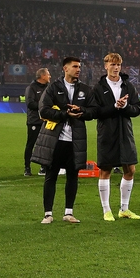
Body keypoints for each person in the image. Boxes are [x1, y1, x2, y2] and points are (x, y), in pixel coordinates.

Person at [32, 57, 94, 223]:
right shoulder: (53, 88)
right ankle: (48, 214)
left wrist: (81, 111)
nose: (78, 69)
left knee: (73, 176)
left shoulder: (85, 90)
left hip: (76, 140)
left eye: (79, 66)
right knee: (51, 175)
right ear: (65, 68)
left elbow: (93, 111)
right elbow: (43, 110)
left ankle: (68, 213)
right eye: (75, 66)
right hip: (55, 139)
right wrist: (65, 114)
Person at [89, 53, 140, 222]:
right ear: (105, 66)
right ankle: (106, 210)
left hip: (125, 132)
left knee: (130, 169)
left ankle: (124, 209)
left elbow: (137, 110)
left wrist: (125, 106)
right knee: (105, 170)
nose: (116, 67)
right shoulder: (98, 88)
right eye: (112, 64)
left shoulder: (128, 86)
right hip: (106, 132)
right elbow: (95, 112)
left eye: (118, 64)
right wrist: (114, 106)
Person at [23, 68, 51, 177]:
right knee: (31, 144)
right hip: (34, 121)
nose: (50, 76)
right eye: (48, 74)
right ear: (42, 76)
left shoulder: (49, 88)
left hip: (47, 121)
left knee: (45, 145)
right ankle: (27, 167)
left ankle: (43, 168)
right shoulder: (31, 88)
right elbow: (30, 104)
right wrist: (44, 107)